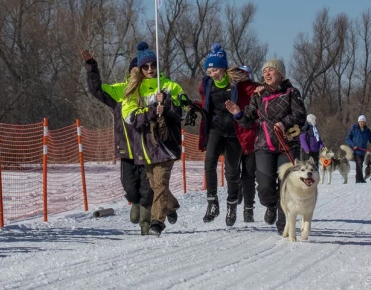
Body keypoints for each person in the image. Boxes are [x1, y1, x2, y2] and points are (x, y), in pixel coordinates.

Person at [226, 59, 307, 235]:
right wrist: (238, 113)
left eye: (271, 70)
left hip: (287, 145)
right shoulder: (258, 95)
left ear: (280, 73)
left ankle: (283, 224)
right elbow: (247, 121)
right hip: (264, 145)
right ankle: (271, 205)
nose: (267, 74)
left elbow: (300, 115)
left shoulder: (292, 92)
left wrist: (284, 123)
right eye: (264, 72)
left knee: (286, 185)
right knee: (264, 187)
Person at [82, 50, 154, 235]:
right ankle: (134, 202)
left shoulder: (152, 90)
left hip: (148, 150)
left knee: (147, 188)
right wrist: (91, 66)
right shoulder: (120, 91)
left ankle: (146, 220)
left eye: (143, 69)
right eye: (135, 70)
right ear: (130, 72)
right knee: (130, 188)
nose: (138, 73)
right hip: (128, 150)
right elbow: (96, 89)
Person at [121, 41, 186, 237]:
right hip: (145, 146)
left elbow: (183, 112)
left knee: (160, 183)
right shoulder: (133, 90)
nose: (150, 70)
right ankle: (171, 205)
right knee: (154, 184)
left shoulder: (169, 86)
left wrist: (167, 104)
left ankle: (157, 222)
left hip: (165, 144)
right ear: (139, 69)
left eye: (153, 66)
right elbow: (130, 117)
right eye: (146, 67)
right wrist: (149, 111)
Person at [197, 43, 257, 226]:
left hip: (234, 132)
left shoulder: (237, 83)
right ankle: (212, 202)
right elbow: (204, 103)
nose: (212, 74)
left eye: (214, 70)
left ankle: (232, 206)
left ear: (223, 68)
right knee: (209, 162)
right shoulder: (207, 84)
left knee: (232, 172)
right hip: (216, 129)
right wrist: (191, 106)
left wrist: (261, 90)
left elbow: (253, 90)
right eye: (209, 71)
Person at [345, 115, 371, 183]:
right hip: (356, 150)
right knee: (359, 163)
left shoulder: (367, 131)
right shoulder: (354, 128)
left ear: (365, 122)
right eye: (361, 122)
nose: (362, 123)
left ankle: (360, 179)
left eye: (363, 122)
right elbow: (347, 138)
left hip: (363, 151)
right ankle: (359, 180)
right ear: (358, 122)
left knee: (360, 165)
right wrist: (353, 145)